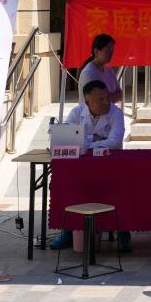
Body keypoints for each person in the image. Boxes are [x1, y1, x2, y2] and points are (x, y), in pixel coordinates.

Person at [50, 81, 133, 253]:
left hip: (110, 164)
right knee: (67, 190)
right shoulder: (76, 113)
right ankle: (68, 232)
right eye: (101, 99)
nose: (106, 102)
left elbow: (115, 141)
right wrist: (94, 139)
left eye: (107, 97)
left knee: (121, 193)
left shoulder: (116, 113)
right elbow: (67, 139)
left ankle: (123, 234)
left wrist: (86, 142)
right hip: (81, 167)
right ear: (88, 102)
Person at [79, 33, 123, 105]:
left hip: (109, 111)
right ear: (96, 52)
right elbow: (97, 101)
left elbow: (120, 94)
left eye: (112, 49)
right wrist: (111, 97)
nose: (111, 53)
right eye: (108, 49)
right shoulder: (89, 73)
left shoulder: (109, 70)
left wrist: (106, 98)